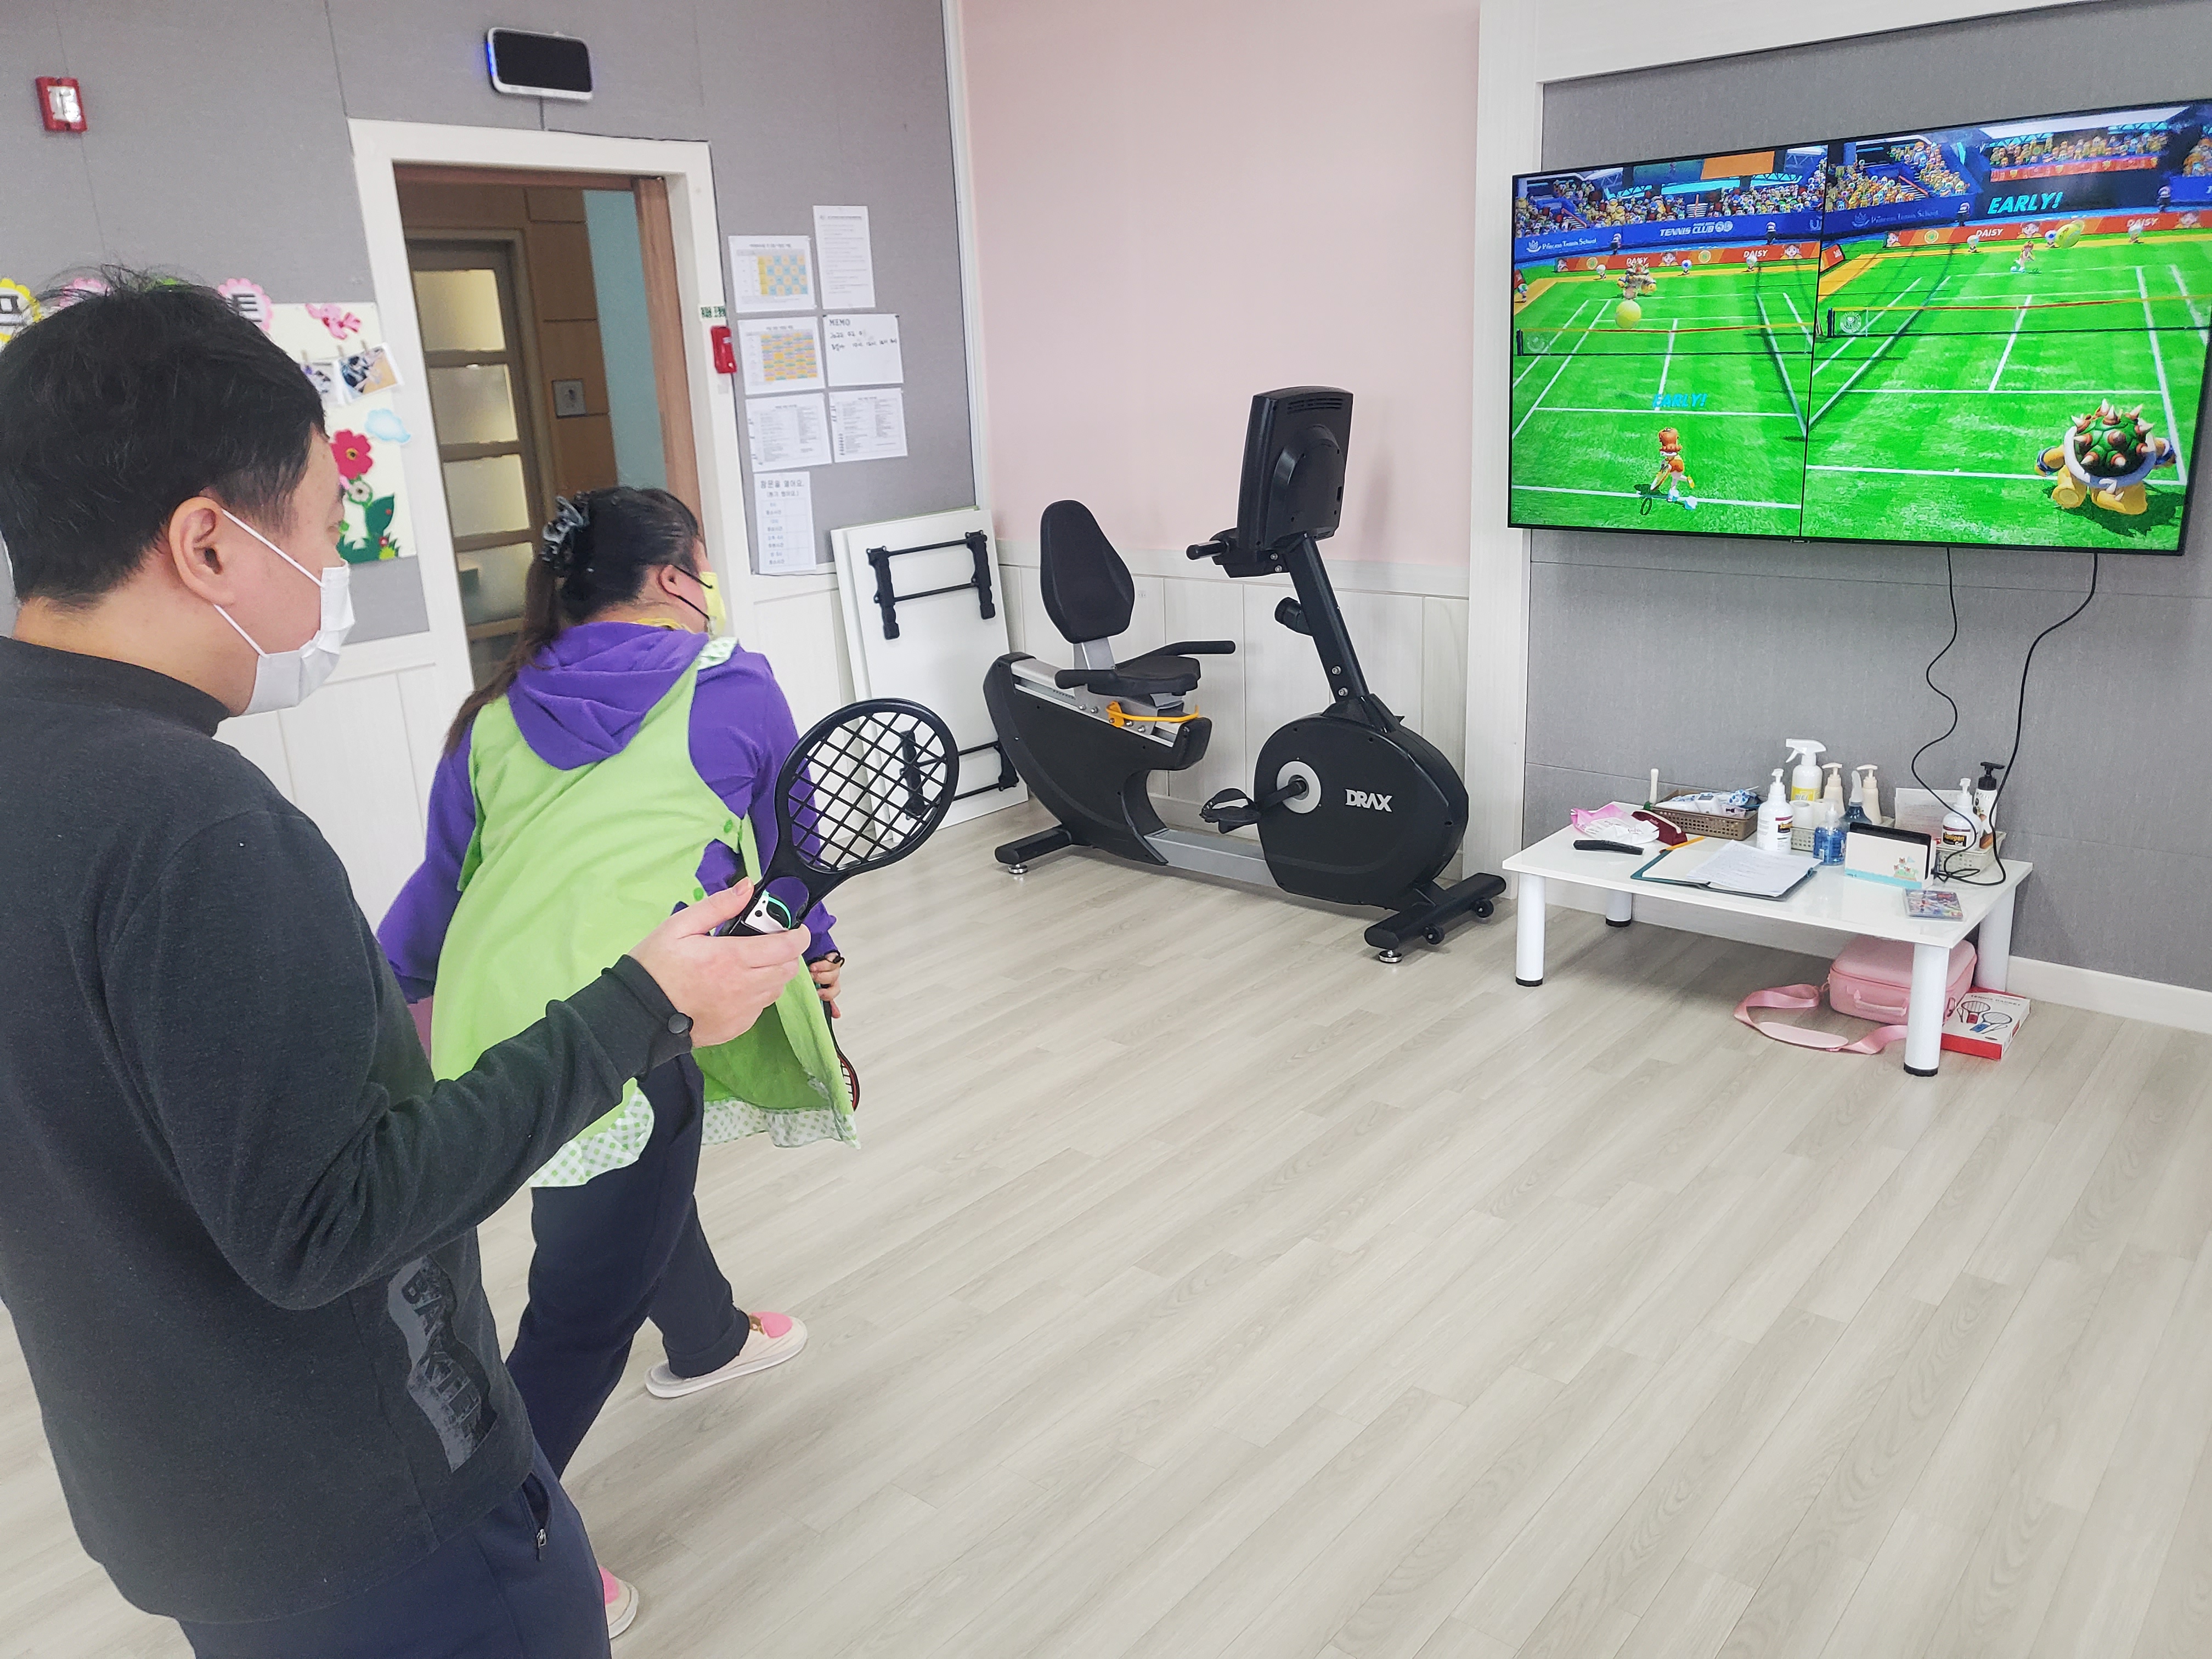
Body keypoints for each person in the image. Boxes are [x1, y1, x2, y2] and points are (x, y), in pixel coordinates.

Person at [0, 273, 809, 1658]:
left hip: (169, 1491)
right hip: (381, 1520)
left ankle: (710, 1328)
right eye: (326, 529)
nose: (334, 571)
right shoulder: (199, 827)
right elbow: (327, 1227)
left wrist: (390, 1010)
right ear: (207, 544)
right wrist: (643, 1004)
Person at [377, 488, 854, 1620]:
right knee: (584, 1309)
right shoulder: (733, 683)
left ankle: (710, 1338)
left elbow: (444, 886)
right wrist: (817, 950)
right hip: (623, 1016)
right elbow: (787, 846)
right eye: (704, 564)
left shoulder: (493, 712)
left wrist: (388, 1007)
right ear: (678, 578)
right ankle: (494, 1555)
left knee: (641, 1171)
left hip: (500, 1016)